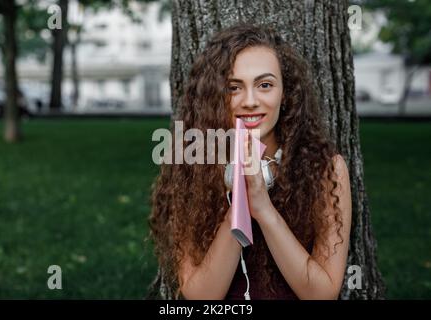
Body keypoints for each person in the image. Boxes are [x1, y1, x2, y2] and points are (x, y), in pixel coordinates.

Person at [148, 23, 352, 300]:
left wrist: (263, 209)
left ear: (285, 93)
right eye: (234, 87)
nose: (250, 101)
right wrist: (239, 206)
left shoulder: (327, 169)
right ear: (215, 96)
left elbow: (321, 295)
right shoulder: (191, 168)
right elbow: (201, 297)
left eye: (265, 85)